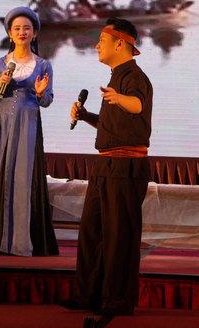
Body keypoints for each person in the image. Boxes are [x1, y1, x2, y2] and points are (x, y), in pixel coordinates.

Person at [62, 18, 153, 316]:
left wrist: (121, 98)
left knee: (119, 235)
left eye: (102, 40)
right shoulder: (116, 78)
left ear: (120, 43)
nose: (97, 45)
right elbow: (113, 125)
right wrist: (86, 115)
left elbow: (137, 105)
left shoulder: (135, 77)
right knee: (93, 232)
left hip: (126, 166)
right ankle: (88, 294)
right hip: (106, 164)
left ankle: (117, 299)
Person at [0, 6, 58, 257]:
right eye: (17, 28)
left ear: (34, 33)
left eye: (27, 28)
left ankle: (22, 242)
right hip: (1, 125)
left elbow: (47, 101)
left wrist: (41, 93)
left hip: (27, 124)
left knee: (24, 177)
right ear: (10, 34)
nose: (22, 32)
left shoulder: (43, 65)